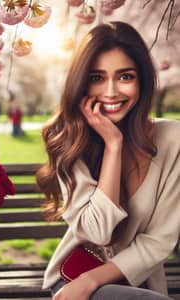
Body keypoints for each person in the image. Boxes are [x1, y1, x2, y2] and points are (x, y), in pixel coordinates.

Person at [36, 21, 180, 300]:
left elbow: (159, 241)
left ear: (142, 80)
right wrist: (113, 146)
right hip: (73, 279)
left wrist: (93, 280)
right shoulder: (70, 141)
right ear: (81, 83)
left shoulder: (173, 140)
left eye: (125, 77)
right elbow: (98, 231)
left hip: (138, 285)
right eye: (97, 78)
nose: (111, 91)